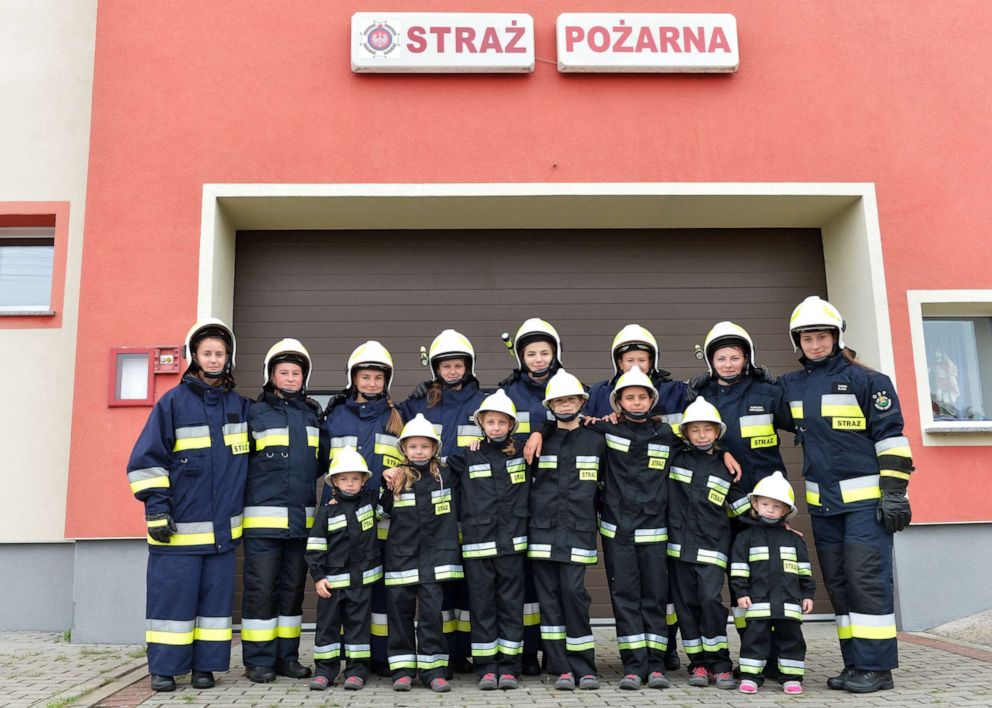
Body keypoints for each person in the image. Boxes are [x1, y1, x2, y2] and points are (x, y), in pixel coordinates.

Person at [778, 295, 913, 694]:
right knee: (838, 584)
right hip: (824, 505)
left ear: (836, 337)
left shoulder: (870, 381)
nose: (815, 344)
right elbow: (755, 405)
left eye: (822, 336)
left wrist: (894, 493)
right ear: (797, 342)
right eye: (807, 338)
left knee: (866, 581)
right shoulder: (791, 385)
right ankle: (855, 664)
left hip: (866, 506)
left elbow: (892, 440)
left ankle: (877, 668)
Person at [126, 318, 250, 692]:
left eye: (220, 354)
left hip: (222, 533)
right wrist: (157, 510)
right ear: (193, 356)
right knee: (172, 605)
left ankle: (205, 668)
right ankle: (164, 669)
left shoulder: (239, 406)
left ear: (228, 359)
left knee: (214, 607)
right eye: (207, 353)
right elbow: (146, 460)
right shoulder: (172, 403)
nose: (214, 359)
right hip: (178, 530)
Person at [687, 321, 791, 640]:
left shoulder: (768, 392)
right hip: (716, 504)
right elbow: (680, 433)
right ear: (710, 362)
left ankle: (768, 647)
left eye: (735, 357)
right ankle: (750, 649)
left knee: (764, 576)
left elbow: (810, 426)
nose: (728, 364)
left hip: (761, 505)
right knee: (735, 578)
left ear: (747, 358)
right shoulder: (698, 395)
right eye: (721, 359)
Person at [399, 329, 485, 674]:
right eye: (445, 366)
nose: (452, 371)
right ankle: (442, 653)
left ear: (468, 366)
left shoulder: (483, 401)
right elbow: (391, 419)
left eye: (458, 365)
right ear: (436, 369)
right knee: (439, 583)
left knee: (464, 582)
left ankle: (462, 651)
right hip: (430, 502)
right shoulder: (421, 404)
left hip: (470, 500)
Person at [588, 368, 675, 690]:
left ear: (652, 400)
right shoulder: (605, 431)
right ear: (619, 402)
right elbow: (569, 429)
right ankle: (634, 666)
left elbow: (698, 451)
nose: (637, 402)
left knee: (654, 597)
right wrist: (540, 429)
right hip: (618, 529)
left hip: (654, 529)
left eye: (642, 396)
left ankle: (656, 665)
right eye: (630, 397)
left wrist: (724, 452)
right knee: (625, 597)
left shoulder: (666, 435)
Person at [319, 340, 404, 672]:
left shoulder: (399, 415)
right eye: (365, 377)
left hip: (382, 521)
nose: (371, 384)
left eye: (377, 378)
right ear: (353, 379)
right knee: (343, 592)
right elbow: (317, 461)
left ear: (387, 381)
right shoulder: (335, 416)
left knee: (380, 592)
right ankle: (346, 656)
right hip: (342, 521)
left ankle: (379, 656)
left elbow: (415, 455)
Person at [241, 339, 322, 683]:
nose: (290, 378)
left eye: (296, 373)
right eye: (283, 372)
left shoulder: (313, 415)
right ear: (271, 376)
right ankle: (258, 661)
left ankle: (287, 657)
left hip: (300, 523)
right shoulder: (254, 414)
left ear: (304, 377)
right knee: (261, 591)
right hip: (262, 524)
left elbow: (323, 463)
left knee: (292, 592)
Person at [447, 390, 530, 691]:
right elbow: (434, 472)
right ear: (481, 424)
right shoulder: (467, 455)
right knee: (482, 608)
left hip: (512, 546)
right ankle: (486, 668)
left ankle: (508, 668)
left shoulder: (523, 453)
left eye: (501, 422)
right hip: (477, 546)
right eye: (490, 422)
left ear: (511, 425)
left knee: (510, 606)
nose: (495, 427)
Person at [528, 370, 604, 691]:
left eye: (570, 399)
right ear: (550, 405)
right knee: (549, 600)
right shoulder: (539, 441)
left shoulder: (597, 440)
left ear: (582, 402)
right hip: (542, 534)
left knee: (574, 596)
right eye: (558, 400)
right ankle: (559, 668)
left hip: (577, 532)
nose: (564, 405)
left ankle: (584, 667)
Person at [498, 317, 565, 675]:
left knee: (554, 585)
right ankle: (525, 652)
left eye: (544, 352)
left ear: (555, 353)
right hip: (518, 498)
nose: (538, 359)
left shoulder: (571, 387)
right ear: (521, 357)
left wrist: (543, 428)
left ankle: (556, 655)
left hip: (560, 500)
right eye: (531, 353)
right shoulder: (506, 393)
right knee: (523, 584)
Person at [667, 397, 748, 691]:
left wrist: (779, 524)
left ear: (718, 432)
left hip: (713, 548)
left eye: (708, 430)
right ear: (685, 433)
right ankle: (697, 663)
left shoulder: (728, 468)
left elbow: (743, 509)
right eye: (695, 430)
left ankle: (721, 664)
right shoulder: (674, 457)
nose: (701, 435)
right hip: (677, 548)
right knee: (686, 607)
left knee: (711, 602)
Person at [380, 414, 462, 693]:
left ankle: (433, 670)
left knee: (431, 616)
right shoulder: (395, 480)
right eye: (412, 447)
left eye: (424, 447)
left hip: (435, 562)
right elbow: (378, 511)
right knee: (400, 616)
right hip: (400, 559)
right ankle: (402, 671)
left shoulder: (447, 476)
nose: (418, 452)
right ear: (403, 449)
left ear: (434, 449)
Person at [730, 471, 815, 695]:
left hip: (789, 602)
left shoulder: (795, 539)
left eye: (776, 506)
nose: (769, 509)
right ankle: (750, 677)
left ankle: (791, 678)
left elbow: (804, 570)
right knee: (754, 639)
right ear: (755, 505)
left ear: (785, 511)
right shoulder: (745, 538)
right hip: (758, 601)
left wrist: (807, 595)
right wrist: (741, 592)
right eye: (765, 503)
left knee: (792, 640)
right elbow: (739, 569)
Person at [305, 446, 381, 691]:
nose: (350, 484)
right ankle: (325, 671)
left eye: (355, 479)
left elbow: (390, 503)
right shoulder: (326, 510)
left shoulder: (371, 502)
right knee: (327, 628)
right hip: (333, 583)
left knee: (358, 628)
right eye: (344, 479)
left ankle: (357, 671)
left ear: (364, 481)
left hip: (361, 582)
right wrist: (318, 577)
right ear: (334, 482)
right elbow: (315, 547)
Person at [586, 324, 688, 425]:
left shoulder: (676, 391)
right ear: (620, 364)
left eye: (642, 360)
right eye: (630, 360)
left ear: (651, 362)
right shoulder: (598, 393)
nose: (636, 366)